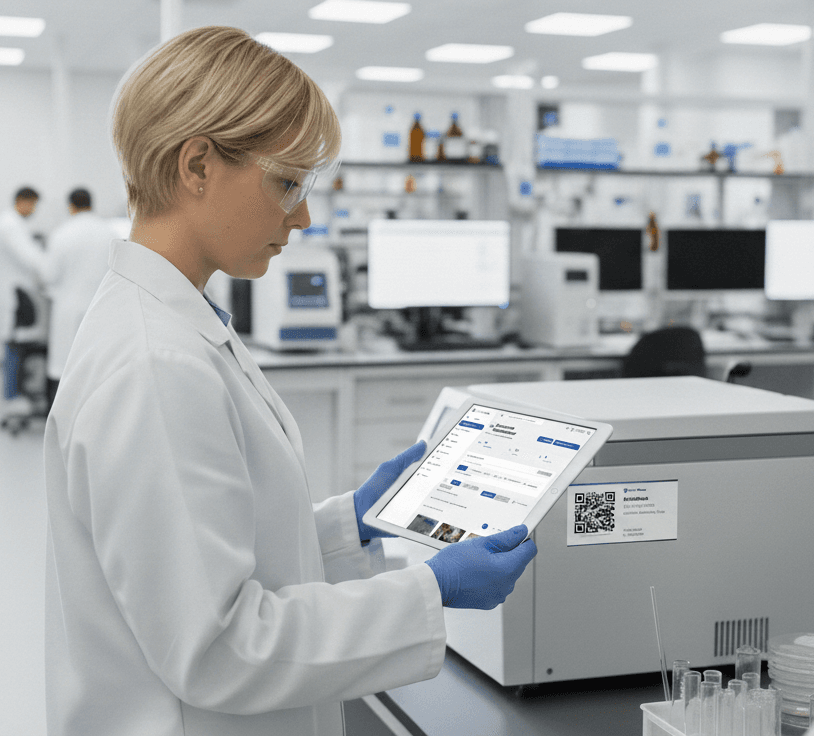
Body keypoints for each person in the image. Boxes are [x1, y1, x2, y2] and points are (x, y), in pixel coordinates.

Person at [44, 26, 537, 736]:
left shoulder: (172, 324)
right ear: (197, 165)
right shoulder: (156, 365)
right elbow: (218, 648)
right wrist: (430, 588)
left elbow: (198, 557)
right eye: (285, 183)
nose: (302, 216)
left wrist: (346, 527)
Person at [41, 188, 116, 408]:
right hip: (102, 308)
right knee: (99, 367)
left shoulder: (62, 233)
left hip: (68, 309)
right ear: (91, 204)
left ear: (70, 206)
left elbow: (49, 275)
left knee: (65, 368)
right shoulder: (109, 232)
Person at [0, 187, 45, 357]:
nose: (34, 209)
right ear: (21, 201)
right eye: (33, 204)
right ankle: (11, 384)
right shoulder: (10, 224)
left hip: (16, 290)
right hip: (12, 291)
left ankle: (11, 383)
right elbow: (31, 257)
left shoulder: (14, 223)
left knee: (14, 341)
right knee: (12, 343)